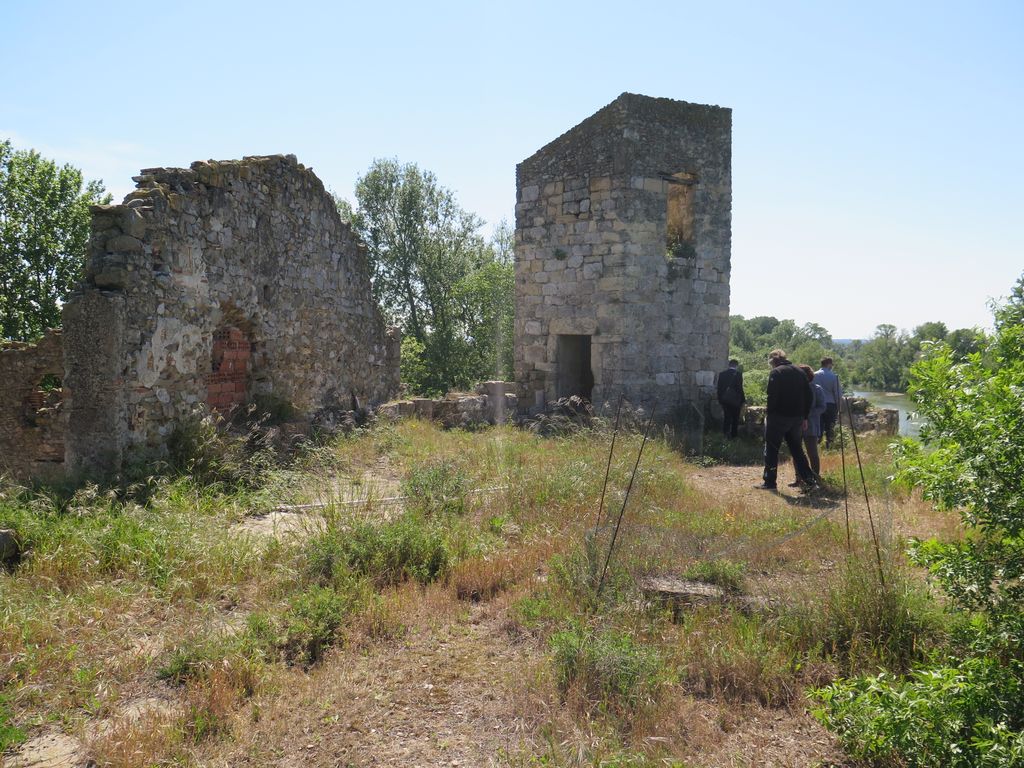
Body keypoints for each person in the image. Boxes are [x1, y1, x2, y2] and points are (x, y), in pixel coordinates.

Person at [757, 349, 817, 491]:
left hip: (778, 417)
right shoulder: (800, 372)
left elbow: (772, 397)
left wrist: (770, 415)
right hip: (797, 418)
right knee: (797, 450)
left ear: (773, 361)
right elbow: (809, 396)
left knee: (772, 449)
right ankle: (810, 481)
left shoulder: (776, 373)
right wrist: (805, 416)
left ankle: (770, 482)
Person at [790, 364, 826, 486]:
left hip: (811, 425)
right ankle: (798, 479)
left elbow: (822, 407)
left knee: (812, 454)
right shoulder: (794, 389)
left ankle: (815, 478)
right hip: (795, 425)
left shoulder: (817, 389)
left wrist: (807, 413)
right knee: (796, 453)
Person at [815, 357, 843, 448]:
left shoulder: (814, 375)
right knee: (830, 427)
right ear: (829, 364)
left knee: (818, 427)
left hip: (817, 404)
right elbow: (837, 394)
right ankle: (829, 447)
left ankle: (816, 446)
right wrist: (839, 408)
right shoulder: (834, 376)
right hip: (830, 405)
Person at [715, 359, 745, 439]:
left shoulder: (722, 374)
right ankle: (734, 436)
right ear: (736, 365)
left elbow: (719, 388)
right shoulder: (738, 374)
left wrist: (720, 400)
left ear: (729, 365)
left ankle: (725, 434)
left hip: (725, 400)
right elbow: (740, 388)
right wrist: (742, 400)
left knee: (726, 417)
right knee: (735, 418)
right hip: (735, 400)